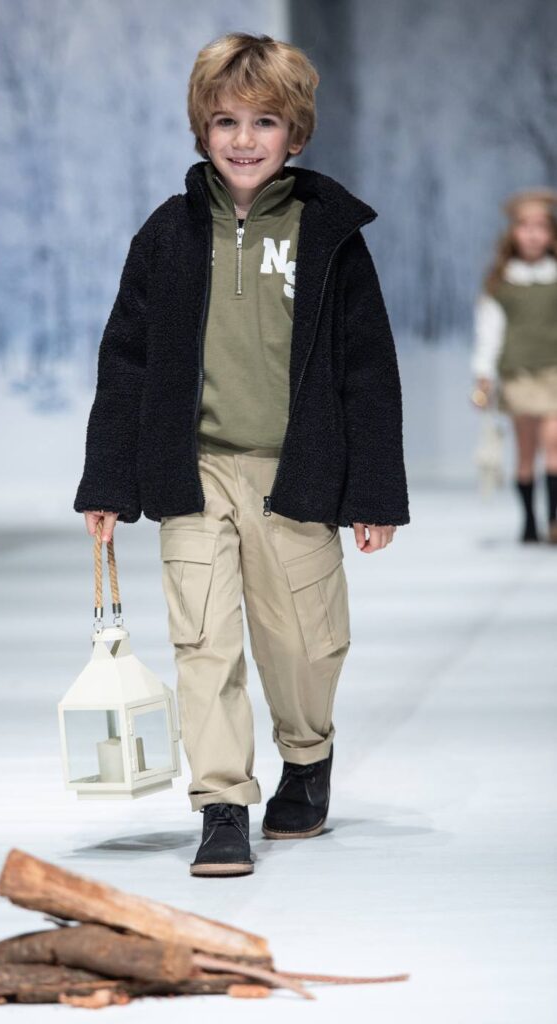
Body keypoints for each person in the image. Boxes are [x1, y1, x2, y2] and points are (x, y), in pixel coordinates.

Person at [74, 32, 409, 877]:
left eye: (264, 121)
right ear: (200, 129)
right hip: (193, 473)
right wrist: (107, 479)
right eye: (224, 120)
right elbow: (127, 360)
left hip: (296, 472)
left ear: (295, 133)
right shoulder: (168, 236)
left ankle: (306, 753)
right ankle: (221, 801)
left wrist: (371, 488)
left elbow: (368, 368)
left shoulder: (328, 233)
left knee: (304, 642)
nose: (243, 138)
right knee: (203, 642)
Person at [470, 188, 557, 544]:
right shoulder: (501, 284)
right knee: (525, 450)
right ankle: (529, 521)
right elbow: (489, 332)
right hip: (518, 374)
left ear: (551, 233)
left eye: (541, 226)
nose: (533, 233)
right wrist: (483, 378)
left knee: (553, 444)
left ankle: (553, 519)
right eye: (525, 225)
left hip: (554, 371)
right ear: (513, 233)